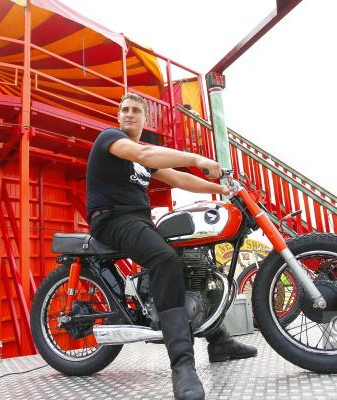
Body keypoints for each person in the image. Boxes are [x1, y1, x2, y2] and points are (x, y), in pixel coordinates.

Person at [86, 93, 257, 400]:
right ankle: (182, 366)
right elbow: (149, 156)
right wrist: (196, 158)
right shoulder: (111, 139)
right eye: (124, 109)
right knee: (166, 260)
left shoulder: (140, 160)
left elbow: (178, 179)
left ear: (144, 119)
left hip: (138, 222)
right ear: (118, 115)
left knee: (191, 257)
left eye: (136, 110)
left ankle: (217, 339)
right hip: (112, 220)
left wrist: (222, 189)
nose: (129, 114)